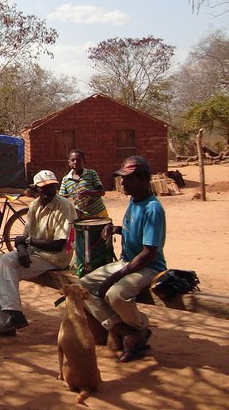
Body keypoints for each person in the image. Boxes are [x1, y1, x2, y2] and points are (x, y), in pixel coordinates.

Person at [78, 156, 167, 363]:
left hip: (148, 266)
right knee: (82, 287)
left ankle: (140, 327)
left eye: (128, 179)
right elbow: (134, 231)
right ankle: (127, 331)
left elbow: (149, 252)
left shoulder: (152, 208)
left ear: (143, 178)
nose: (123, 183)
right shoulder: (134, 200)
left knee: (115, 294)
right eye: (122, 178)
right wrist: (116, 228)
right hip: (127, 261)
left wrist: (116, 276)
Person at [0, 170, 76, 337]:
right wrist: (22, 248)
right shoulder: (35, 206)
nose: (48, 191)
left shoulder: (64, 206)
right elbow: (23, 237)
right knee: (4, 266)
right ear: (36, 190)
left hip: (55, 258)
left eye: (51, 187)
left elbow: (58, 244)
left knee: (6, 265)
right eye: (43, 188)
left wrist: (27, 243)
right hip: (36, 254)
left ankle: (10, 317)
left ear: (56, 187)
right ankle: (6, 320)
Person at [59, 149, 108, 219]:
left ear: (84, 162)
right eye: (73, 160)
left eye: (78, 160)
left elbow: (102, 192)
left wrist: (88, 192)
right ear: (69, 162)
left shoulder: (91, 173)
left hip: (99, 213)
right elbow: (62, 198)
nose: (75, 162)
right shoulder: (65, 180)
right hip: (82, 217)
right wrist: (74, 209)